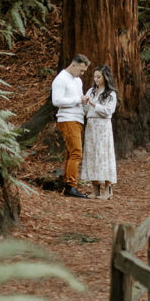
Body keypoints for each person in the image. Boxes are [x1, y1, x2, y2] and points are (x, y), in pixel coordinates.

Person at [51, 54, 90, 198]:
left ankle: (68, 183)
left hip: (78, 118)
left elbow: (78, 98)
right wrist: (77, 99)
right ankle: (72, 185)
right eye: (81, 70)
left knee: (71, 152)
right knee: (76, 153)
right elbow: (56, 101)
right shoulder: (61, 79)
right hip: (67, 119)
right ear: (73, 65)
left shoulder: (77, 80)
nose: (82, 73)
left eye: (84, 71)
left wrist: (83, 101)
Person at [81, 65, 117, 200]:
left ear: (105, 77)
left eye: (99, 77)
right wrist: (84, 102)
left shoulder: (110, 94)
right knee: (92, 154)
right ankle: (95, 188)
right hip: (91, 126)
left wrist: (94, 104)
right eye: (95, 77)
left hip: (103, 127)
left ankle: (108, 189)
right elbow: (85, 110)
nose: (96, 79)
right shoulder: (91, 91)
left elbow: (108, 111)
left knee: (104, 155)